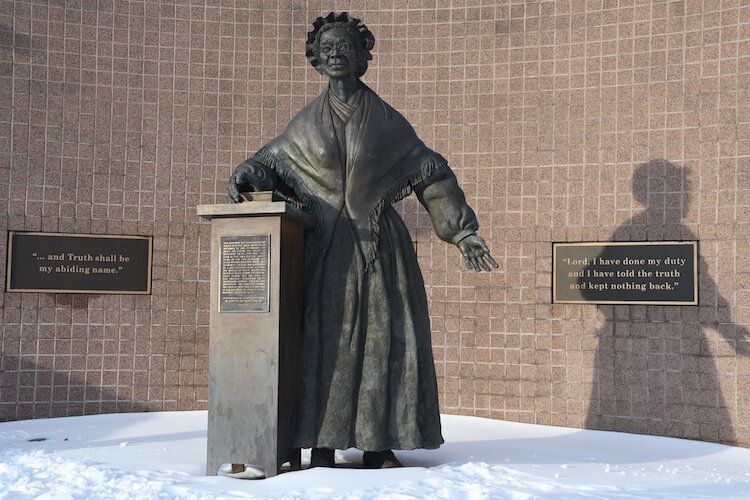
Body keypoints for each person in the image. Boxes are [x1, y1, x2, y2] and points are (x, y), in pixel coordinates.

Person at [229, 12, 497, 468]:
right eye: (328, 48)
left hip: (378, 250)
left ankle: (379, 443)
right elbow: (269, 160)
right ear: (316, 58)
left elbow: (431, 172)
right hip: (323, 250)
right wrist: (247, 171)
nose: (336, 54)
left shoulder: (387, 121)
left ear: (361, 57)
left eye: (345, 47)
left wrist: (461, 230)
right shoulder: (306, 122)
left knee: (382, 340)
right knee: (321, 341)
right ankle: (321, 443)